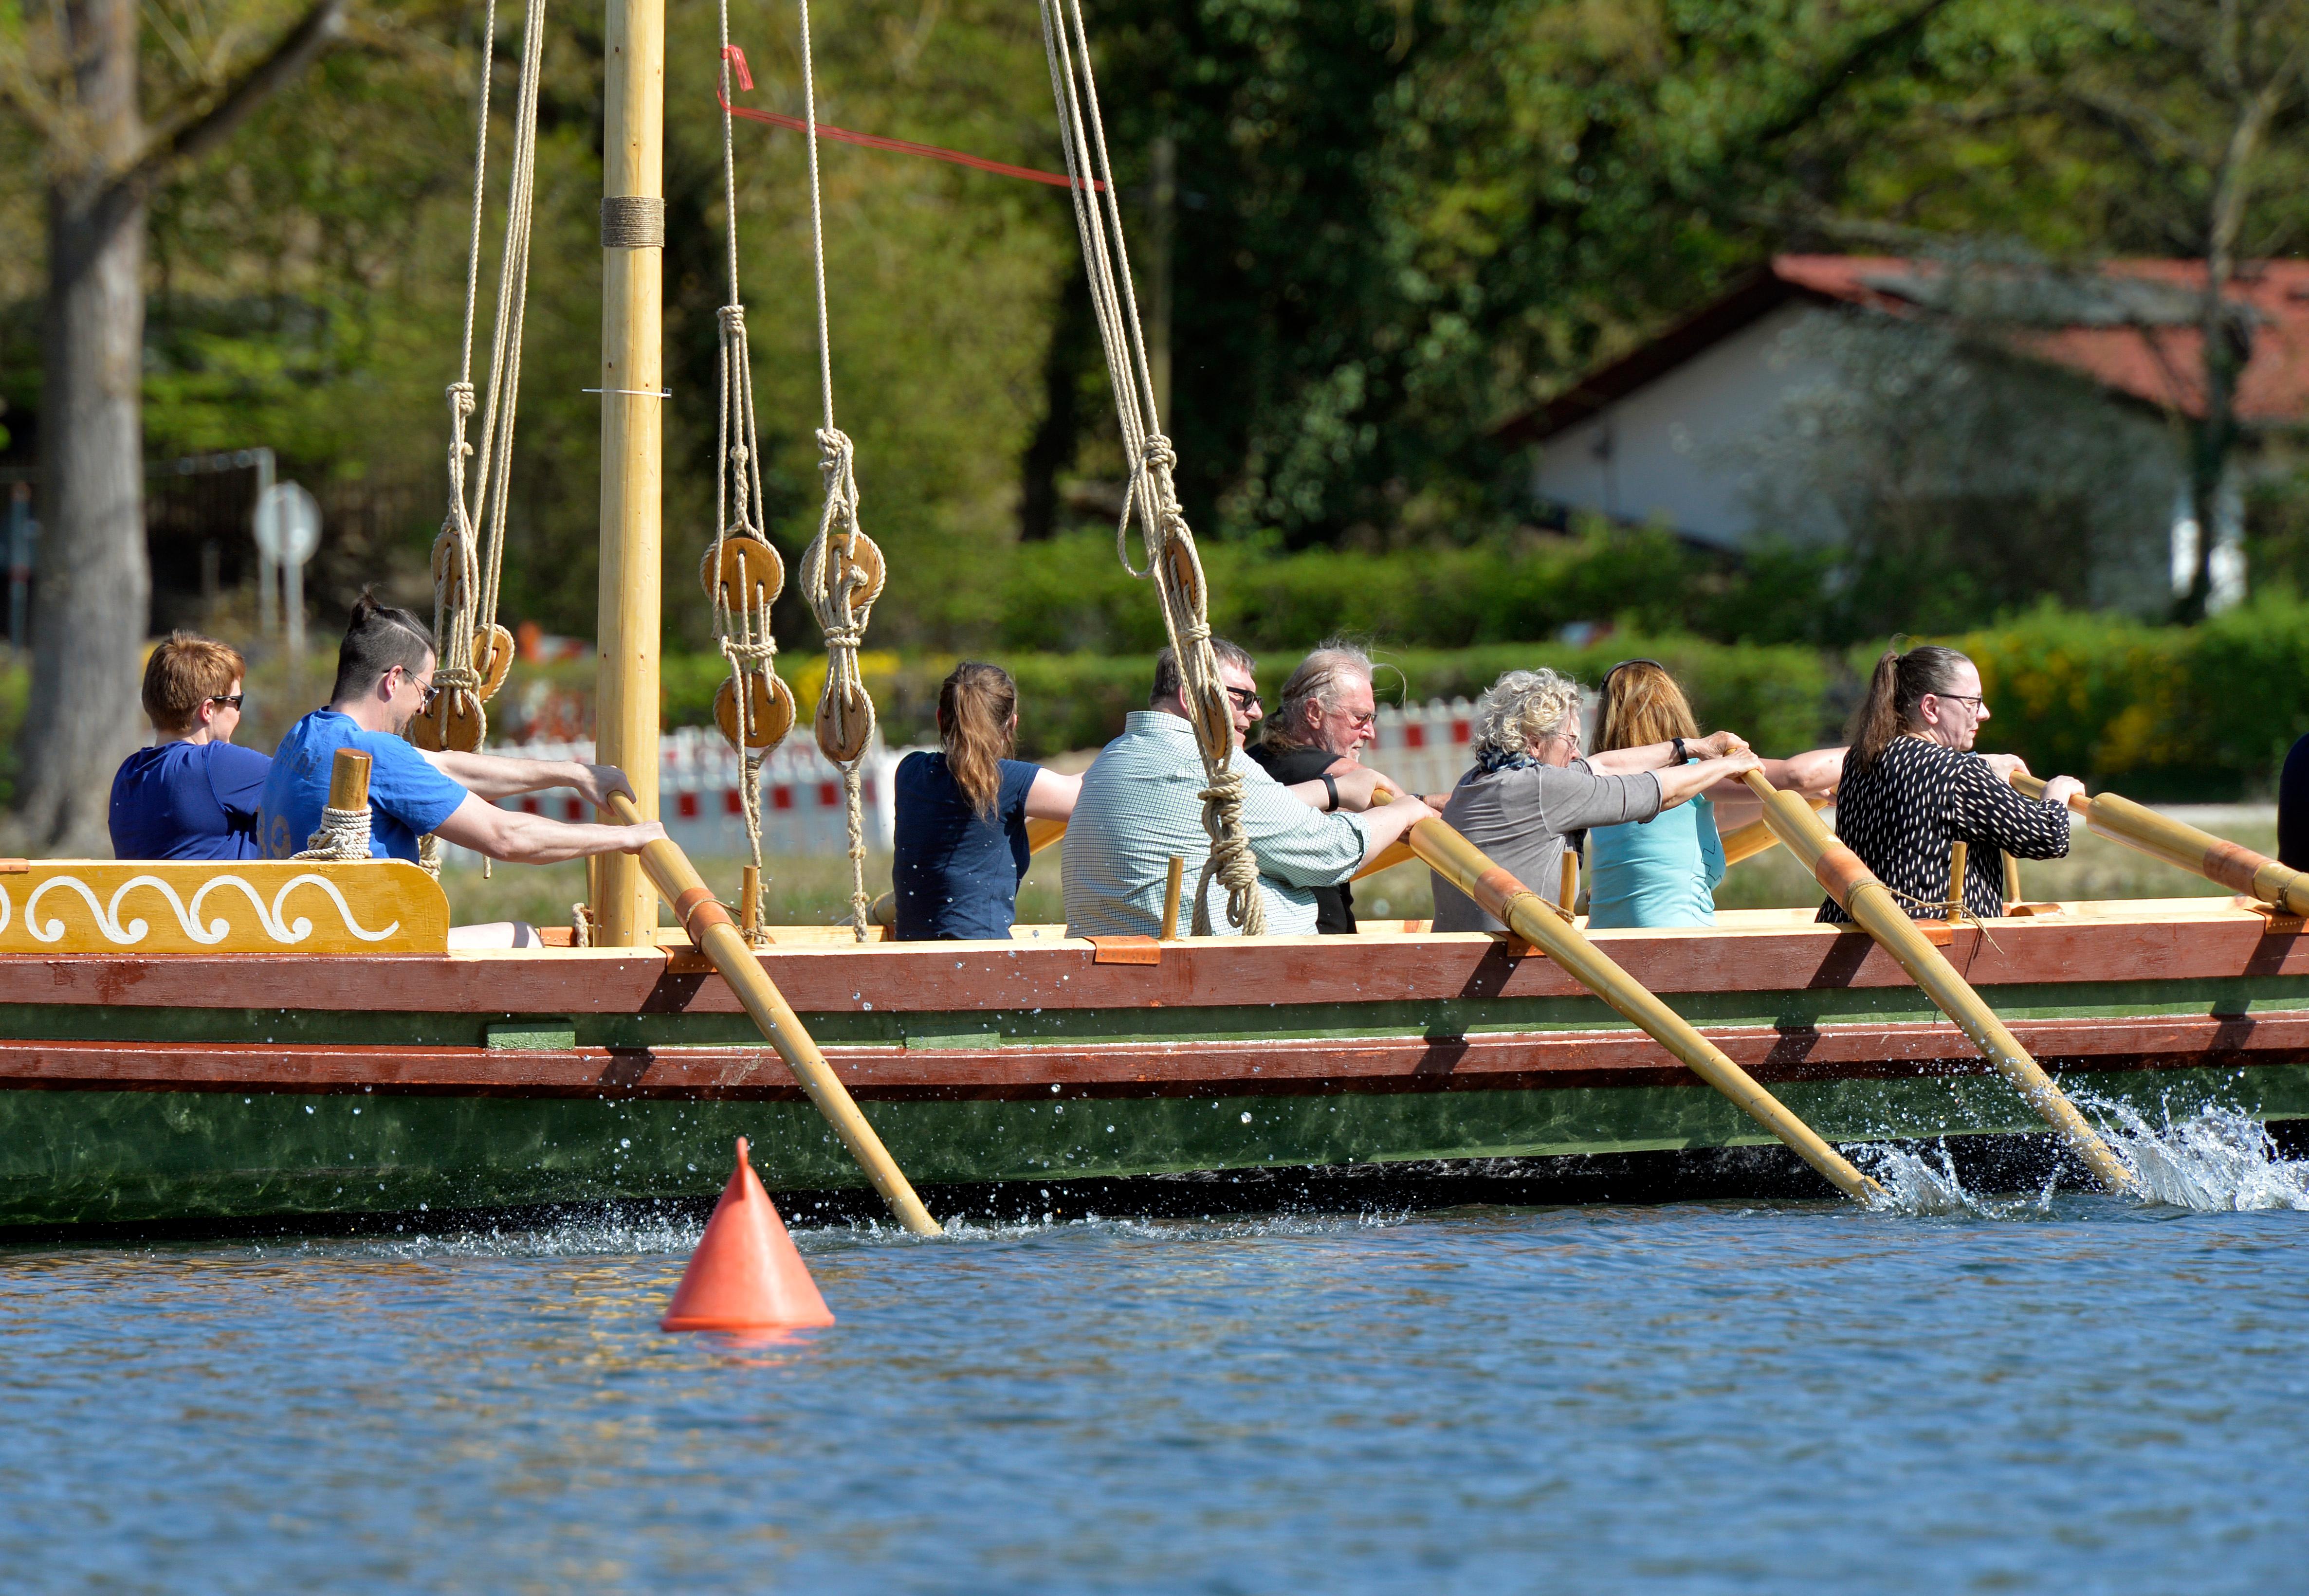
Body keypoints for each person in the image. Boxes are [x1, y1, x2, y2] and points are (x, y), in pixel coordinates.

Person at [257, 591, 663, 868]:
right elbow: (506, 838)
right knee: (528, 939)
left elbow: (449, 767)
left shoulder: (307, 734)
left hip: (321, 945)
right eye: (425, 690)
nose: (423, 706)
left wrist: (574, 774)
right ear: (394, 679)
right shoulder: (378, 754)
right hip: (371, 962)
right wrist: (630, 838)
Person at [1063, 638, 1431, 938]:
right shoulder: (1210, 764)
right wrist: (1406, 810)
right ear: (1193, 700)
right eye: (1243, 698)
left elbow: (1234, 810)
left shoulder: (1115, 754)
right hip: (1215, 981)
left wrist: (1332, 791)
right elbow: (1329, 853)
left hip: (1131, 967)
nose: (1255, 713)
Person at [1429, 668, 1760, 934]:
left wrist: (1692, 747)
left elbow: (1601, 766)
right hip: (1512, 966)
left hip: (1457, 961)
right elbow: (1659, 792)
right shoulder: (1545, 789)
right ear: (1533, 742)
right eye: (1571, 740)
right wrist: (1728, 765)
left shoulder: (1477, 780)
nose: (1576, 752)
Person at [1820, 643, 2081, 925]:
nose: (1984, 714)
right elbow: (2047, 838)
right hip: (1929, 944)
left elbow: (1927, 797)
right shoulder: (1956, 773)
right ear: (1931, 707)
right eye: (1973, 702)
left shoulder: (1865, 754)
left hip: (1855, 930)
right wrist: (2056, 794)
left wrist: (1981, 767)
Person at [1583, 658, 1846, 928]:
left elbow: (1713, 815)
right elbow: (1801, 775)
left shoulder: (1600, 786)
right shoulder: (1689, 774)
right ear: (1675, 711)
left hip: (1602, 948)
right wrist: (1880, 745)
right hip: (1676, 947)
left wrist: (1800, 794)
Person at [892, 662, 1081, 940]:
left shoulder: (909, 771)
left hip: (910, 952)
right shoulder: (1010, 781)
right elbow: (1092, 796)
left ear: (939, 718)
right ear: (1013, 723)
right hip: (982, 956)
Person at [1246, 640, 1421, 934]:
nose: (1370, 731)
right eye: (1360, 717)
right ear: (1314, 712)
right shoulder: (1339, 771)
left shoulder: (1253, 760)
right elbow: (1408, 810)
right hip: (1319, 948)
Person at [108, 632, 272, 860]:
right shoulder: (214, 764)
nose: (239, 713)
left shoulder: (128, 774)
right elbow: (314, 786)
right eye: (236, 702)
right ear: (208, 710)